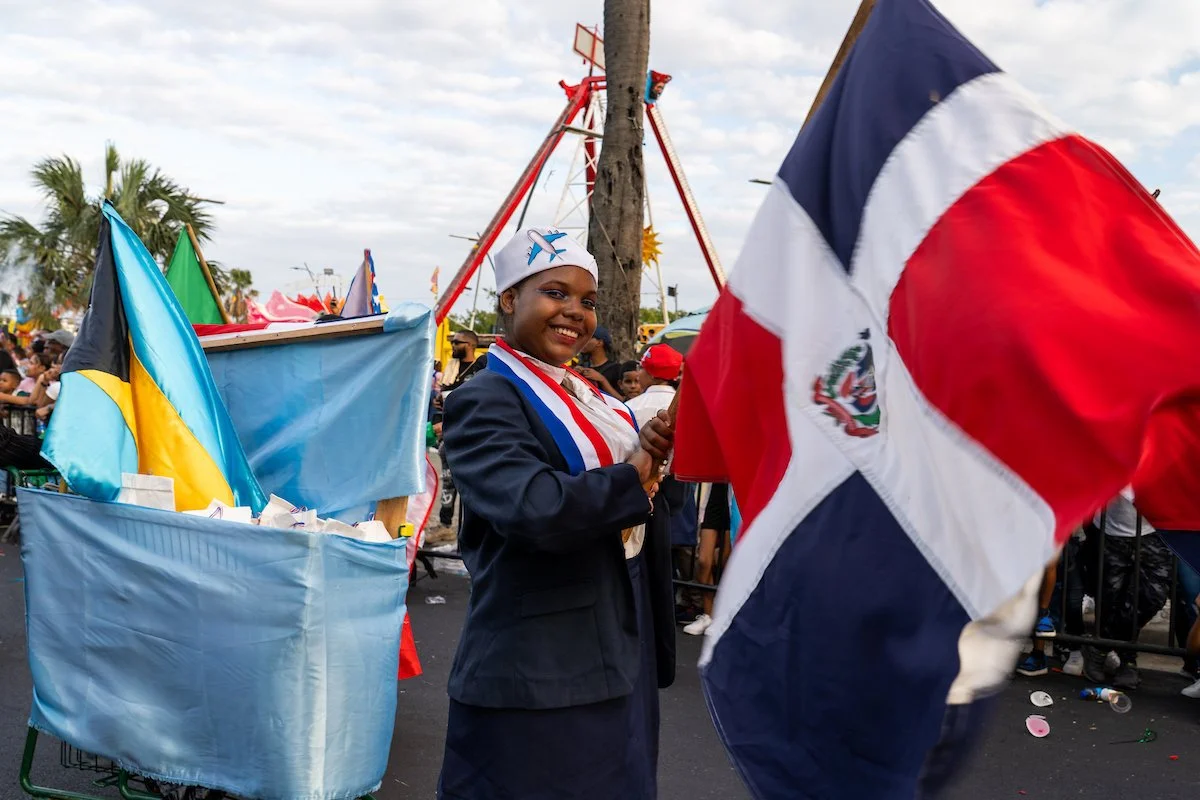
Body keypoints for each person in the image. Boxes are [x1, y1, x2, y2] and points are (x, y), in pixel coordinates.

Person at [437, 226, 676, 800]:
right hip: (543, 667)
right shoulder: (485, 397)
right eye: (555, 293)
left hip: (621, 636)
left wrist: (652, 447)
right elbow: (535, 508)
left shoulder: (588, 394)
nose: (575, 312)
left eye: (587, 301)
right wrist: (639, 467)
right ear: (509, 299)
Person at [1083, 490, 1174, 689]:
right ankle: (1127, 659)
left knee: (1152, 596)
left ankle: (1100, 646)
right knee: (1111, 597)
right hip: (1110, 531)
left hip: (1154, 532)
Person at [438, 330, 487, 526]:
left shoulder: (480, 369)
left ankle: (468, 530)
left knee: (471, 487)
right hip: (448, 437)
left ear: (470, 345)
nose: (453, 345)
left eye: (457, 342)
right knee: (448, 483)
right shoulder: (452, 370)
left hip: (471, 438)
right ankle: (445, 525)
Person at [626, 345, 683, 428]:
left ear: (652, 374)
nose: (638, 373)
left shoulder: (628, 407)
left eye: (641, 367)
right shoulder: (686, 406)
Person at [577, 325, 624, 397]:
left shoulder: (616, 369)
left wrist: (602, 380)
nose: (583, 341)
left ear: (599, 342)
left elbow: (621, 401)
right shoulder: (582, 366)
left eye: (588, 338)